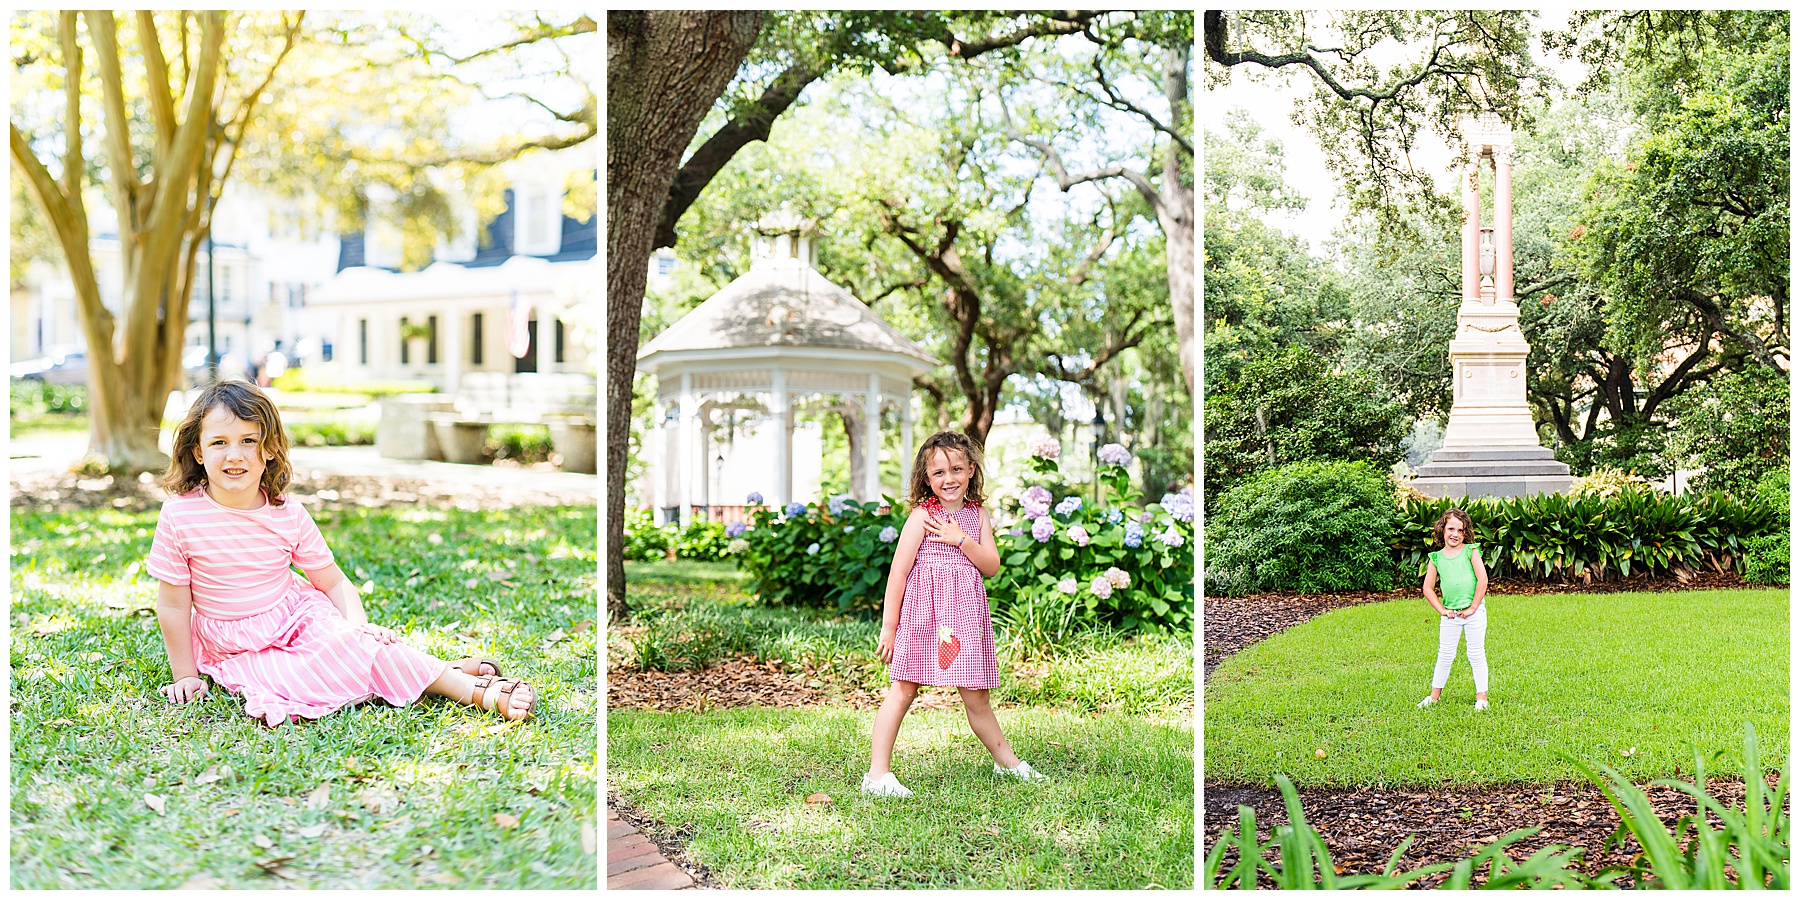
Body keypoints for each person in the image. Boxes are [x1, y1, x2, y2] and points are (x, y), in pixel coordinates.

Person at [148, 380, 536, 726]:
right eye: (219, 442)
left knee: (352, 645)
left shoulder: (287, 513)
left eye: (248, 440)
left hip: (297, 619)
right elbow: (173, 606)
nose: (235, 454)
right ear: (198, 452)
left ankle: (469, 690)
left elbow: (332, 581)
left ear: (268, 450)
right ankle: (438, 671)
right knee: (302, 680)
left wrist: (356, 627)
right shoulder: (180, 516)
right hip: (233, 643)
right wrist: (185, 675)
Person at [863, 431, 1047, 797]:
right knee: (903, 689)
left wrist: (959, 538)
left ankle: (1007, 765)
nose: (949, 479)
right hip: (923, 616)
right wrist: (889, 627)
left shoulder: (978, 516)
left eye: (957, 469)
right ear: (926, 478)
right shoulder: (922, 516)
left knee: (977, 696)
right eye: (939, 473)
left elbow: (991, 566)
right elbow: (898, 573)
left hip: (962, 618)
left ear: (972, 471)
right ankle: (877, 775)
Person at [1418, 507, 1489, 710]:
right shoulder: (1436, 558)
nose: (1454, 534)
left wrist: (1473, 607)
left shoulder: (1471, 551)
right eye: (1450, 529)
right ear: (1442, 529)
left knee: (1476, 653)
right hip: (1451, 615)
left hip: (1474, 613)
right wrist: (1442, 610)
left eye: (1460, 530)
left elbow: (1482, 580)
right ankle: (1434, 696)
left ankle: (1481, 698)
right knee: (1445, 654)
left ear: (1465, 533)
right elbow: (1428, 588)